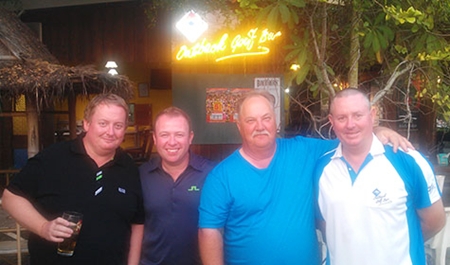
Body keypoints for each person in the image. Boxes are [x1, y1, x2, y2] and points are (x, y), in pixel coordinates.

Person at [198, 90, 413, 265]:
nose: (260, 126)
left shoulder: (304, 151)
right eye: (251, 120)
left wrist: (379, 130)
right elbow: (210, 231)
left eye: (266, 118)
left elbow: (350, 138)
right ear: (239, 126)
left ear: (276, 122)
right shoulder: (221, 176)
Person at [2, 93, 144, 265]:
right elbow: (10, 197)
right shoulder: (53, 158)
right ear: (86, 124)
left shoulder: (129, 167)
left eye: (118, 125)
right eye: (103, 123)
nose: (110, 132)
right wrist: (43, 227)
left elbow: (137, 222)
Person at [314, 88, 446, 265]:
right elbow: (327, 225)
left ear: (372, 115)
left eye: (358, 115)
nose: (350, 124)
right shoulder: (321, 168)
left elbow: (435, 221)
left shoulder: (409, 161)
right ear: (331, 121)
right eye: (341, 118)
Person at [139, 107, 216, 265]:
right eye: (164, 135)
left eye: (179, 134)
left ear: (190, 137)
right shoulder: (141, 175)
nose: (172, 142)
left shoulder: (211, 174)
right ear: (155, 138)